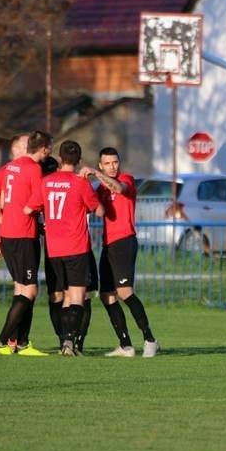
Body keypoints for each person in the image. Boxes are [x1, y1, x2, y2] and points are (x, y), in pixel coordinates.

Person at [25, 140, 102, 356]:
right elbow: (99, 211)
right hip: (76, 248)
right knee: (77, 297)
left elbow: (28, 209)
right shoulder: (80, 183)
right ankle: (69, 341)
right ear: (79, 160)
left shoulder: (46, 182)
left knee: (61, 297)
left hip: (53, 250)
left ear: (60, 159)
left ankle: (64, 341)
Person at [0, 131, 50, 356]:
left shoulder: (8, 168)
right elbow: (38, 201)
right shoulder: (34, 169)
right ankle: (2, 342)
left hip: (9, 235)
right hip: (23, 235)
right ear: (44, 149)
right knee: (30, 290)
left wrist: (2, 220)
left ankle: (21, 343)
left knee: (21, 289)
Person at [87, 147, 159, 357]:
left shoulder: (126, 179)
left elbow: (119, 188)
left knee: (125, 292)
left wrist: (96, 174)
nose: (112, 167)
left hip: (124, 241)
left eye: (115, 162)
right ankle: (126, 345)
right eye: (107, 163)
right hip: (108, 244)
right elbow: (93, 207)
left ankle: (150, 340)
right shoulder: (100, 188)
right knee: (107, 296)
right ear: (101, 165)